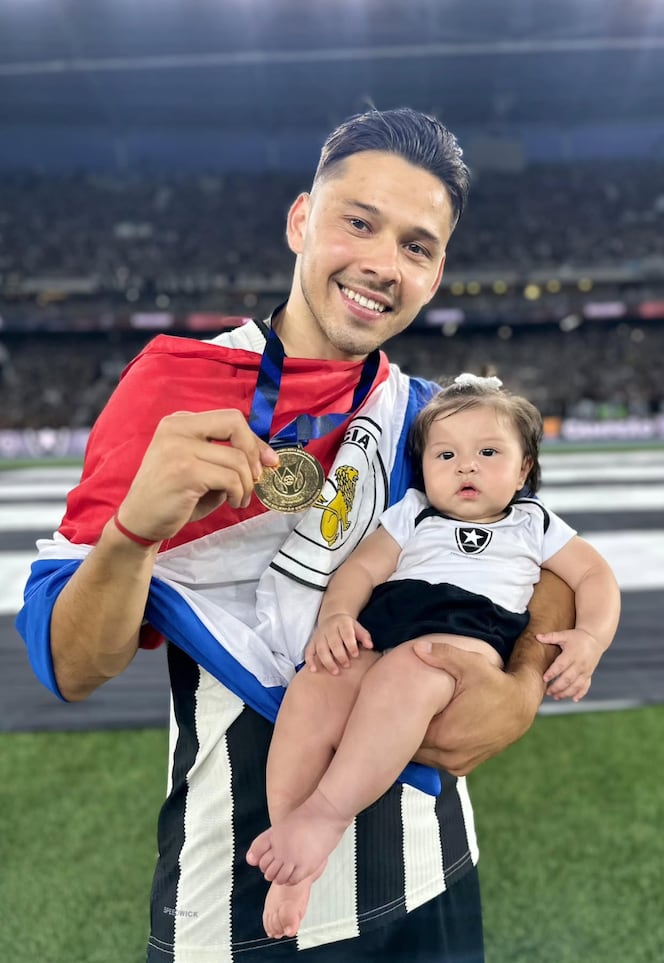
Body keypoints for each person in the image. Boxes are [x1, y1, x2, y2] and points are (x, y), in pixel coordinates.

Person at [17, 108, 576, 963]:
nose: (383, 264)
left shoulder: (429, 418)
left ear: (435, 273)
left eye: (417, 246)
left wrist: (527, 686)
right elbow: (71, 664)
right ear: (300, 220)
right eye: (359, 222)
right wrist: (133, 535)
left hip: (432, 866)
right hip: (241, 899)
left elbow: (548, 564)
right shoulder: (179, 384)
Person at [247, 375, 621, 940]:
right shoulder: (412, 514)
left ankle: (324, 815)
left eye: (488, 453)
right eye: (446, 455)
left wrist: (591, 638)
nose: (465, 467)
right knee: (321, 681)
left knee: (414, 669)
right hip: (388, 626)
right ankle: (291, 848)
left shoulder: (533, 522)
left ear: (523, 470)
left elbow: (594, 574)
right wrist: (336, 618)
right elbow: (361, 570)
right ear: (422, 468)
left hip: (466, 636)